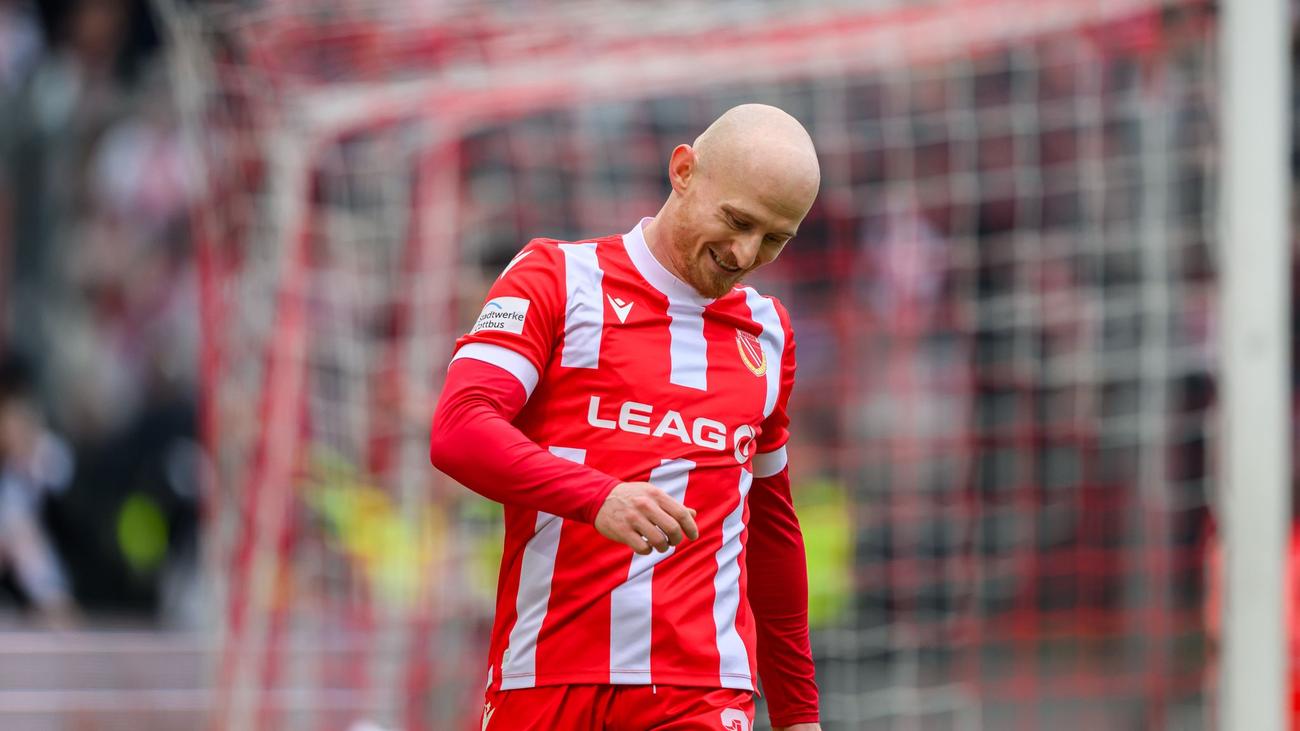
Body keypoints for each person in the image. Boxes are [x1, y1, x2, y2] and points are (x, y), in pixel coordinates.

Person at [430, 103, 822, 731]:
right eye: (738, 221)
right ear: (683, 170)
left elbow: (771, 527)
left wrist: (799, 713)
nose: (746, 252)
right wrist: (599, 498)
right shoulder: (556, 278)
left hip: (701, 691)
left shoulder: (767, 331)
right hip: (545, 677)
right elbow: (460, 429)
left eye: (775, 239)